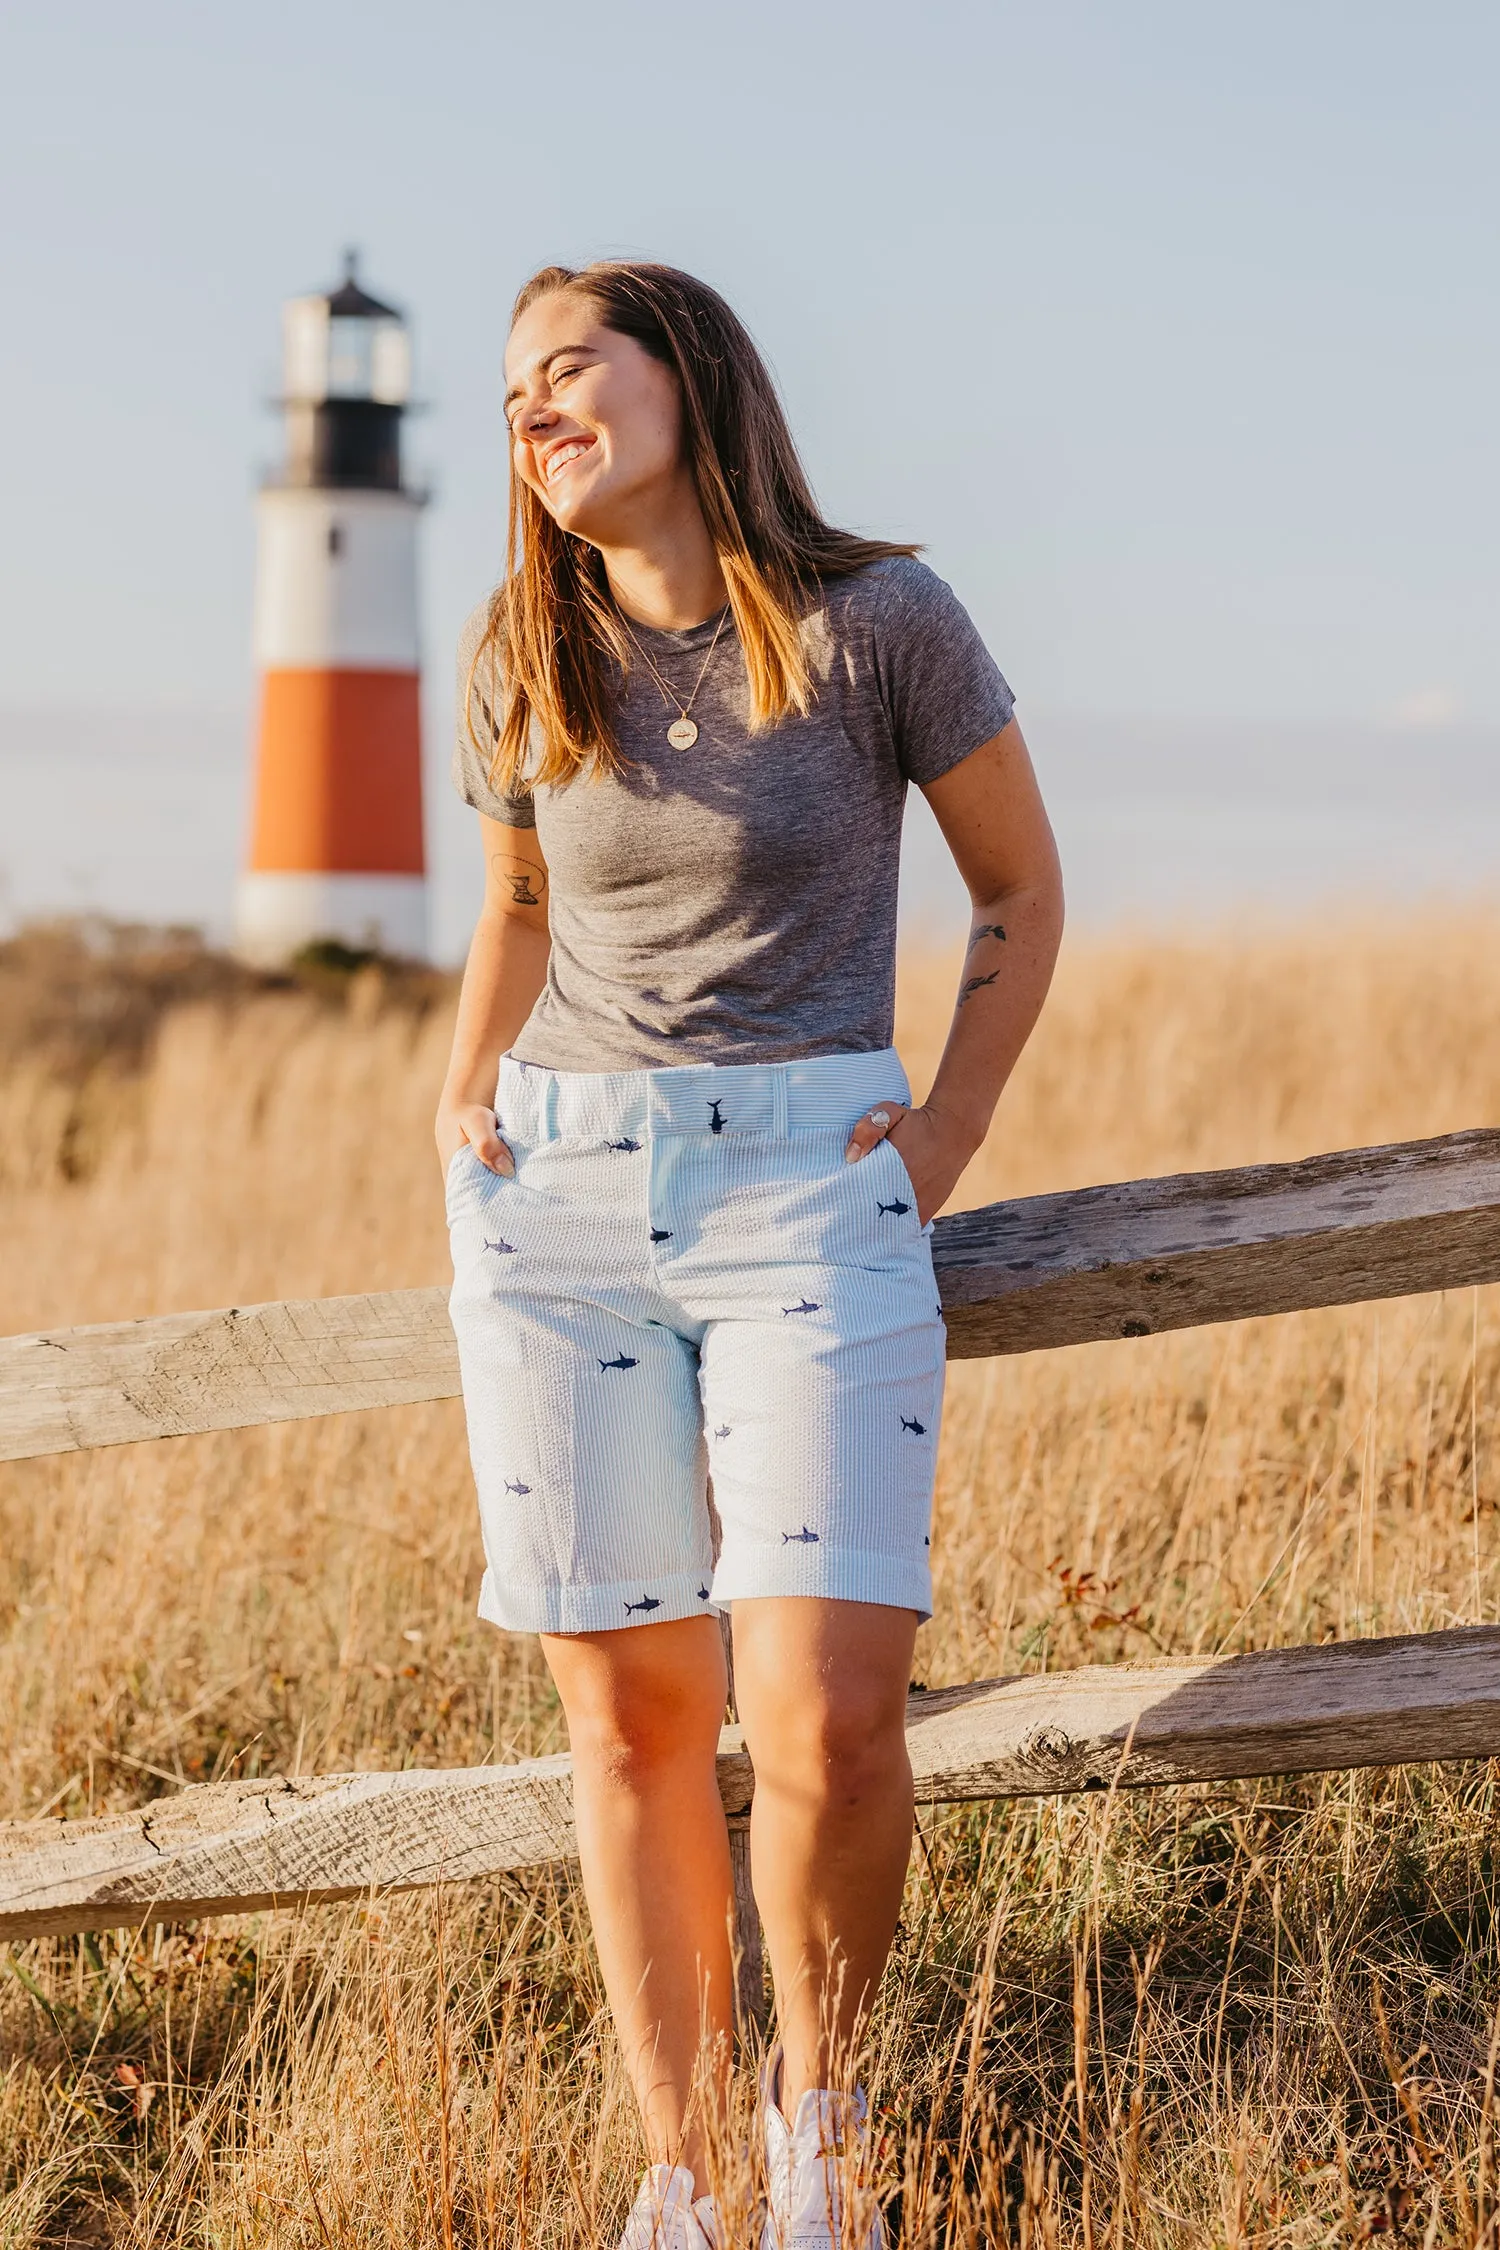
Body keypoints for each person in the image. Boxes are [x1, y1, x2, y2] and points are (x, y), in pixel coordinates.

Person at [436, 260, 1064, 2250]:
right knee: (623, 1716)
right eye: (511, 389)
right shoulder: (518, 647)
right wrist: (458, 1093)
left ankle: (829, 2146)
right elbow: (521, 909)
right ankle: (688, 2176)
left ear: (690, 380)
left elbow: (1022, 887)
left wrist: (950, 1123)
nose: (534, 410)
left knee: (824, 1710)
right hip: (561, 1200)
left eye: (571, 367)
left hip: (812, 1184)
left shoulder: (884, 624)